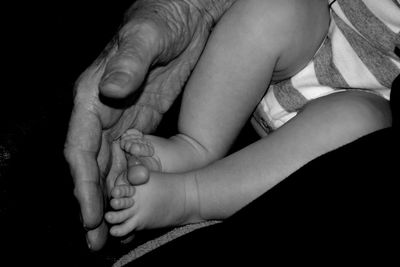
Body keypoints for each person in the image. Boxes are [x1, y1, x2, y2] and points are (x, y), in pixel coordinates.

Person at [65, 0, 399, 251]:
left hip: (360, 104)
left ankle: (191, 195)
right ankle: (194, 145)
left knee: (360, 120)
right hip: (309, 34)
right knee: (279, 6)